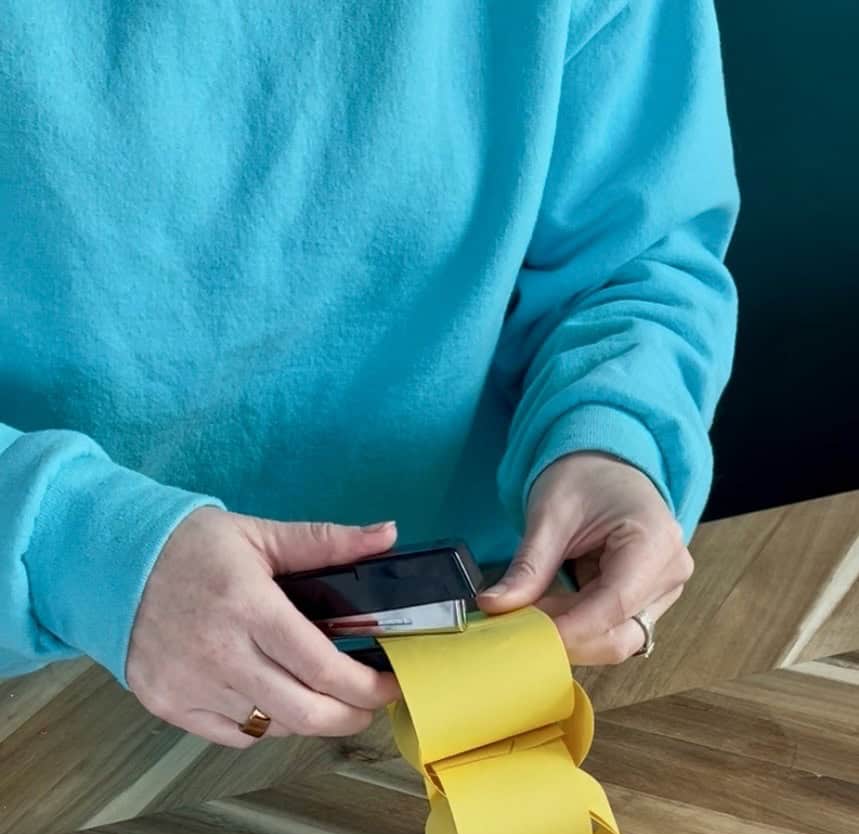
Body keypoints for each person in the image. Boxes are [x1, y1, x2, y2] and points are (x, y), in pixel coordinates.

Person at [0, 1, 738, 747]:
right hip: (35, 692)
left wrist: (612, 437)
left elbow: (634, 258)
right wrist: (74, 546)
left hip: (468, 656)